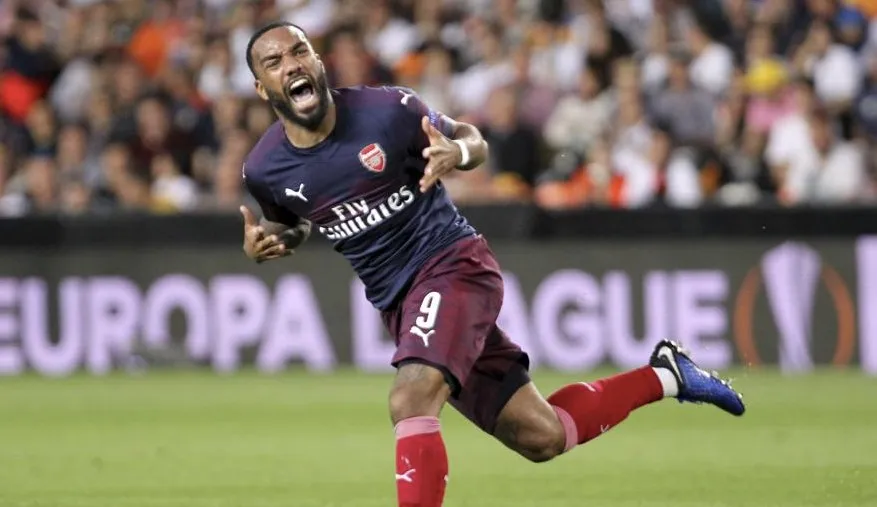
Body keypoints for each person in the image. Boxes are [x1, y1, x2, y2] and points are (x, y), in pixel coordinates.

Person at [238, 22, 745, 507]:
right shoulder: (264, 169)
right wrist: (274, 241)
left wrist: (454, 152)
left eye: (300, 51)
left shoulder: (385, 110)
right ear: (263, 88)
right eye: (274, 61)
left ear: (319, 62)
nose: (291, 64)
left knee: (411, 399)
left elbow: (473, 139)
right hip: (399, 304)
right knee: (544, 435)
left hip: (452, 264)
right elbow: (295, 221)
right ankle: (667, 376)